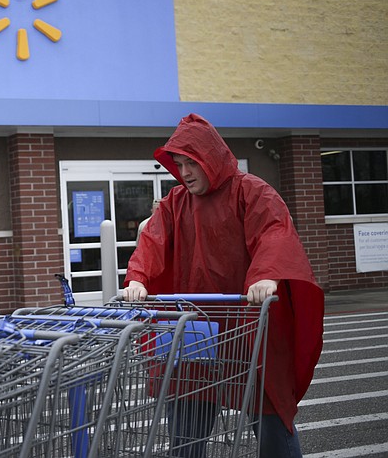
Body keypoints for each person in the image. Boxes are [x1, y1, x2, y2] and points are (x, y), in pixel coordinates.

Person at [122, 113, 324, 458]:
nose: (185, 173)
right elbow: (153, 240)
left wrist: (266, 275)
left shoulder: (253, 192)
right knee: (187, 422)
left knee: (270, 415)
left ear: (211, 159)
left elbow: (274, 234)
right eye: (180, 164)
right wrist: (138, 277)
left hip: (250, 326)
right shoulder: (176, 202)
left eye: (192, 164)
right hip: (195, 328)